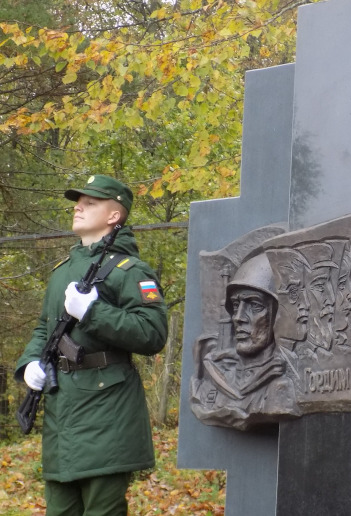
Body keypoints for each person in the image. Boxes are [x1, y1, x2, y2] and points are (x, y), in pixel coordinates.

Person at [15, 175, 168, 516]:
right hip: (62, 410)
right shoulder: (62, 272)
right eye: (78, 201)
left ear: (115, 215)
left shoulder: (130, 271)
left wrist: (92, 312)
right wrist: (30, 365)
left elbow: (153, 333)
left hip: (107, 407)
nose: (78, 207)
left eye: (91, 202)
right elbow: (45, 329)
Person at [190, 253, 299, 429]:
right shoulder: (215, 370)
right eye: (235, 306)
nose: (238, 318)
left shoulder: (281, 387)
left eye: (254, 305)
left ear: (278, 315)